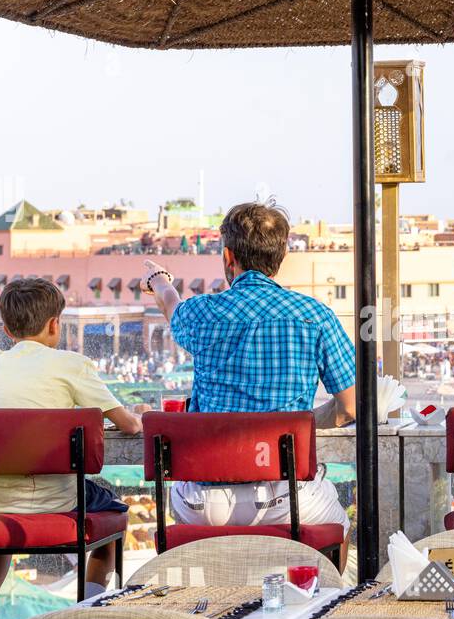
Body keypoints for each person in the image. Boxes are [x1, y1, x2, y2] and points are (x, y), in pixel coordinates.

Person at [144, 201, 356, 565]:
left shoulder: (201, 313)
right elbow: (351, 406)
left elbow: (170, 303)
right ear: (281, 255)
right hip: (287, 499)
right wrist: (295, 426)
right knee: (340, 526)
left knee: (184, 501)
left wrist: (159, 279)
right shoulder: (315, 316)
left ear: (228, 256)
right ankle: (325, 606)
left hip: (206, 504)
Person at [0, 278, 144, 619]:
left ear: (6, 330)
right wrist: (138, 414)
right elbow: (126, 424)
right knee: (113, 514)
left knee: (2, 534)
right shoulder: (72, 365)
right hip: (57, 502)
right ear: (56, 325)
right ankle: (84, 617)